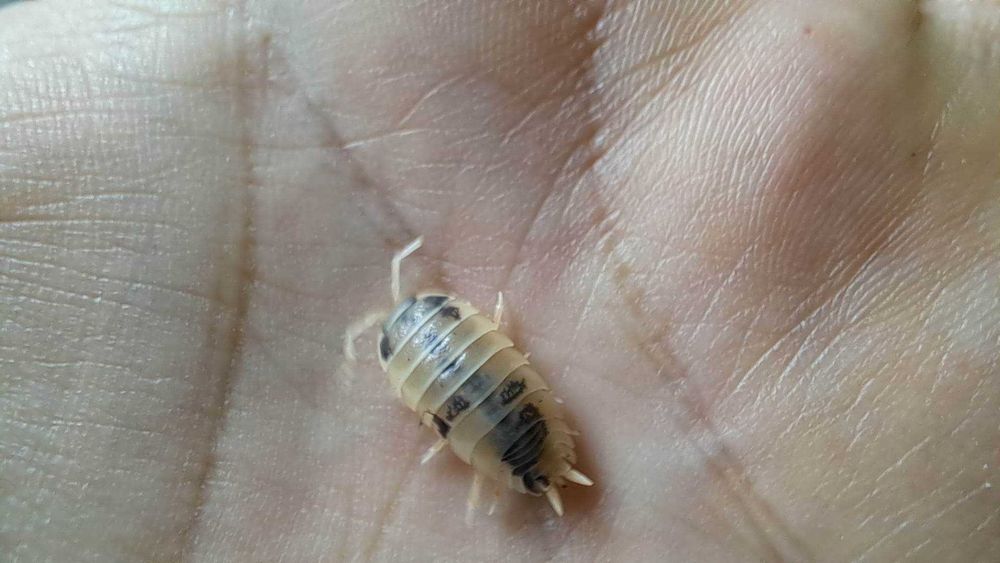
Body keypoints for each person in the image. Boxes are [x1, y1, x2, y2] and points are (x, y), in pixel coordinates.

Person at [2, 1, 997, 560]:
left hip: (496, 419)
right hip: (495, 414)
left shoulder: (447, 360)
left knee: (515, 446)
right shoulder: (452, 343)